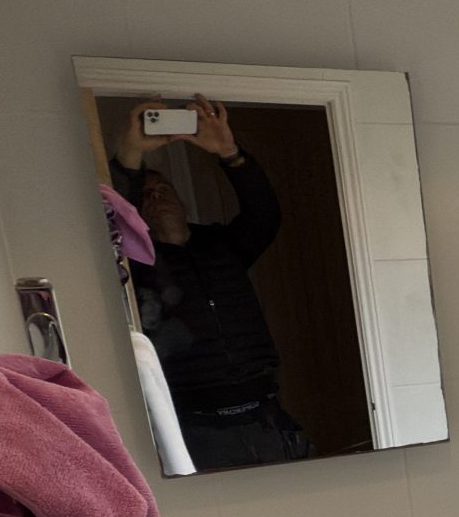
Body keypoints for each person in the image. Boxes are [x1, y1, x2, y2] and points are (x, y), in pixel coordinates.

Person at [109, 95, 312, 469]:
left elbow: (265, 214)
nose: (157, 198)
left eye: (163, 190)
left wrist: (230, 153)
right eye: (146, 195)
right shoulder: (135, 265)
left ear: (181, 199)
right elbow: (109, 225)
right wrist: (129, 157)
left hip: (269, 420)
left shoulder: (223, 247)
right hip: (199, 430)